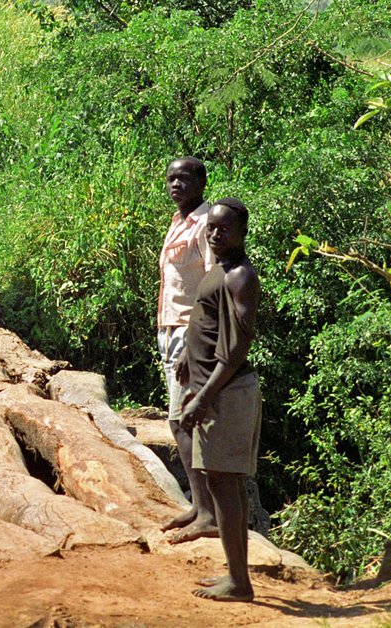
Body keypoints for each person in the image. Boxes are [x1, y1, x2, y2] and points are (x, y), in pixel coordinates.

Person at [178, 198, 261, 602]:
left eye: (223, 229)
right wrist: (185, 358)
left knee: (227, 487)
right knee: (220, 483)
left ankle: (239, 582)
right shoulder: (220, 270)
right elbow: (207, 325)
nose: (214, 234)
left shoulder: (240, 277)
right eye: (210, 227)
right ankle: (234, 575)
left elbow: (236, 350)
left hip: (227, 396)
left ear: (242, 233)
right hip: (212, 391)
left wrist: (202, 397)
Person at [157, 157, 218, 545]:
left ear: (201, 182)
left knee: (183, 421)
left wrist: (193, 342)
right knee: (180, 421)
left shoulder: (207, 223)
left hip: (188, 334)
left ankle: (209, 513)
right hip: (169, 330)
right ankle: (199, 505)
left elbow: (214, 284)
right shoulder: (179, 221)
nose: (176, 184)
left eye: (184, 178)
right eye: (171, 179)